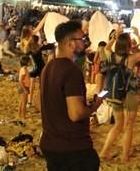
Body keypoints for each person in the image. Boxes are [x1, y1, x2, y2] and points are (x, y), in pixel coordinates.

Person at [40, 20, 102, 171]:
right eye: (82, 39)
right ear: (70, 43)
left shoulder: (48, 68)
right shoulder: (71, 71)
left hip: (50, 144)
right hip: (73, 148)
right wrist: (95, 106)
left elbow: (40, 102)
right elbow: (76, 114)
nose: (85, 43)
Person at [99, 26, 140, 163]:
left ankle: (104, 152)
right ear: (129, 45)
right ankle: (124, 156)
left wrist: (115, 36)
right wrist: (138, 35)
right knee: (129, 125)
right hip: (129, 94)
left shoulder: (111, 55)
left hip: (114, 94)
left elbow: (105, 48)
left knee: (118, 124)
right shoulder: (130, 59)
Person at [18, 55, 31, 120]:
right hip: (24, 87)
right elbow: (20, 80)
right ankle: (23, 116)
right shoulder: (24, 70)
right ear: (26, 62)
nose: (30, 62)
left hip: (25, 87)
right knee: (24, 103)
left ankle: (19, 115)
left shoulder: (25, 69)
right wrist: (24, 89)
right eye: (29, 61)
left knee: (21, 102)